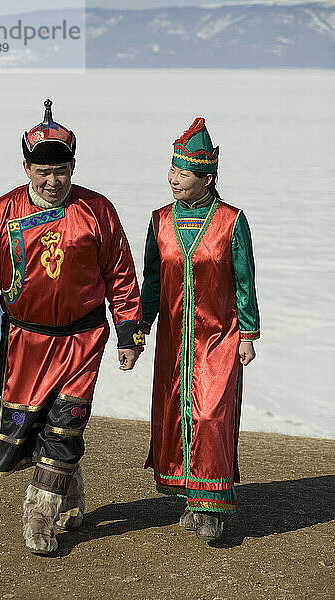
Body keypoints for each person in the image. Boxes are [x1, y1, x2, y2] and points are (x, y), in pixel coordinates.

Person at [0, 99, 145, 555]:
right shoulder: (2, 213)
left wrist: (129, 330)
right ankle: (71, 492)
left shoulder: (97, 210)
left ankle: (39, 513)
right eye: (43, 170)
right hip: (25, 338)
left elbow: (121, 273)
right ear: (26, 167)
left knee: (67, 425)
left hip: (83, 337)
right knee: (38, 424)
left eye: (61, 169)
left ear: (73, 166)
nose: (52, 180)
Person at [141, 117, 260, 541]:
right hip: (174, 340)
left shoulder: (231, 221)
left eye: (183, 173)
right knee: (177, 414)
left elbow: (244, 280)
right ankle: (192, 497)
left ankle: (211, 507)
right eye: (172, 171)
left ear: (207, 178)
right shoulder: (159, 222)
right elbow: (151, 283)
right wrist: (138, 330)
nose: (173, 180)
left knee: (211, 415)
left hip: (220, 337)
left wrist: (247, 333)